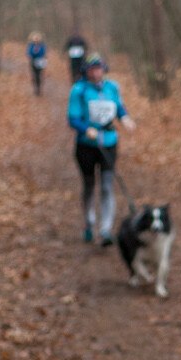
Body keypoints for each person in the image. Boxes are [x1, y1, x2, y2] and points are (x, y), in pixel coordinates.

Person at [66, 52, 135, 246]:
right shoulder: (79, 90)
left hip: (109, 142)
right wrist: (85, 129)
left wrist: (125, 118)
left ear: (104, 69)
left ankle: (105, 229)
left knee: (106, 185)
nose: (96, 72)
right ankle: (88, 221)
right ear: (86, 70)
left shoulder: (113, 87)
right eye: (92, 69)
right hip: (87, 146)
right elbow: (72, 118)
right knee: (89, 184)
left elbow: (119, 107)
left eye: (99, 68)